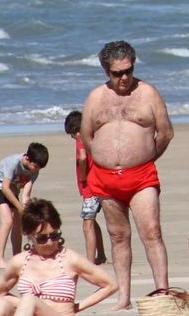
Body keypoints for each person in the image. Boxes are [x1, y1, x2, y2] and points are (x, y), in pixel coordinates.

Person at [81, 40, 174, 309]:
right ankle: (123, 297)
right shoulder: (96, 97)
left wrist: (144, 157)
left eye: (128, 71)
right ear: (106, 72)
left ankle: (162, 291)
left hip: (141, 175)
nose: (124, 78)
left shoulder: (148, 94)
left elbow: (165, 133)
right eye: (117, 73)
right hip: (106, 177)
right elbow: (88, 137)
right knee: (118, 236)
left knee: (152, 231)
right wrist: (107, 157)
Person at [0, 198, 117, 316]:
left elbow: (110, 285)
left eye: (54, 236)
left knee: (30, 300)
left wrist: (77, 307)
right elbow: (0, 294)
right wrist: (22, 302)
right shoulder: (19, 262)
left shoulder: (69, 259)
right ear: (29, 235)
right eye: (42, 238)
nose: (49, 242)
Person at [0, 144, 49, 268]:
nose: (36, 170)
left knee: (18, 223)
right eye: (35, 166)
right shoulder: (13, 163)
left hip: (12, 190)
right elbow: (4, 188)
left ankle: (17, 257)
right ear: (27, 158)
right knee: (7, 221)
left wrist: (27, 212)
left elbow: (25, 195)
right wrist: (20, 208)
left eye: (39, 168)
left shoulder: (34, 172)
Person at [64, 111, 106, 266]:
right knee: (93, 221)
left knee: (87, 223)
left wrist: (83, 176)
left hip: (91, 187)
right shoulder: (92, 136)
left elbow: (82, 157)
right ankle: (100, 255)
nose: (72, 138)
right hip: (100, 183)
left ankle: (89, 261)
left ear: (76, 131)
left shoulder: (81, 138)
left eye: (71, 135)